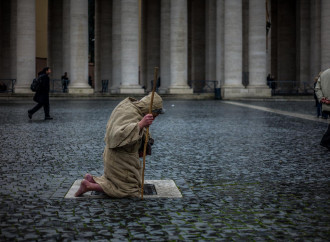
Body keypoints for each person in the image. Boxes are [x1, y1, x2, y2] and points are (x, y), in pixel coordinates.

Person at [75, 92, 164, 197]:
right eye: (154, 116)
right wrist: (140, 125)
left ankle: (92, 180)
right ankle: (89, 186)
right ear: (150, 110)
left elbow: (141, 132)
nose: (154, 119)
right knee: (129, 190)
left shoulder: (133, 108)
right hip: (119, 156)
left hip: (123, 155)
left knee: (123, 182)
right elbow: (117, 135)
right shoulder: (129, 111)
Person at [315, 68, 330, 150]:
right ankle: (325, 141)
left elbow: (317, 88)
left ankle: (326, 141)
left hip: (326, 103)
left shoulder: (324, 74)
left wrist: (322, 99)